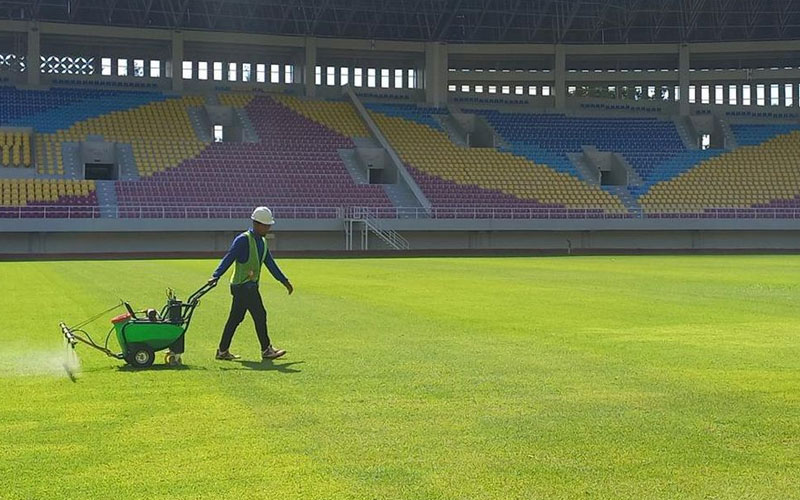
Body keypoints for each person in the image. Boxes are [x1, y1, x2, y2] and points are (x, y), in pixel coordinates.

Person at [209, 206, 294, 361]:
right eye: (266, 225)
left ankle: (222, 351)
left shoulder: (262, 242)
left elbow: (270, 263)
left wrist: (284, 281)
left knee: (235, 318)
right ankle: (266, 349)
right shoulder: (243, 240)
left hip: (250, 286)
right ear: (257, 223)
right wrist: (216, 275)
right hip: (243, 286)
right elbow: (229, 257)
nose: (268, 228)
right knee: (260, 314)